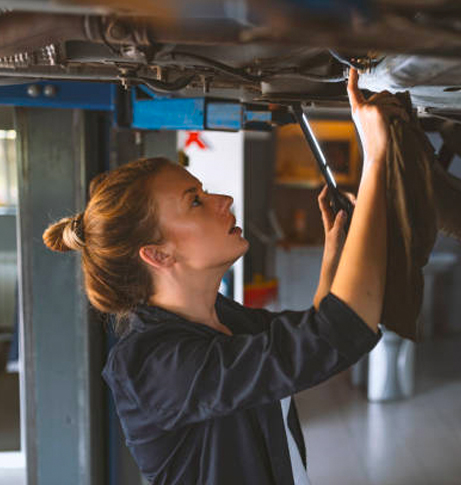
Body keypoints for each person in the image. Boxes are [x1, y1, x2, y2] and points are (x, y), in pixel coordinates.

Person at [42, 69, 407, 484]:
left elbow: (312, 339)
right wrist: (375, 158)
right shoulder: (152, 366)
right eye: (195, 201)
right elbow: (337, 333)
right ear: (158, 254)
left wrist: (334, 253)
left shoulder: (224, 321)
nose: (224, 200)